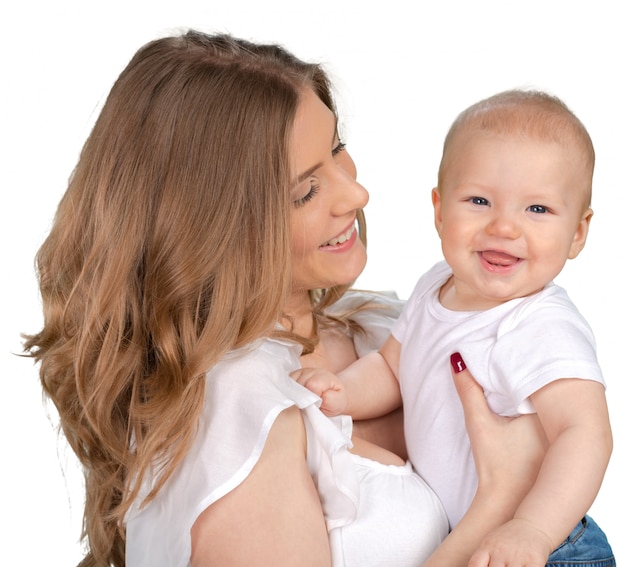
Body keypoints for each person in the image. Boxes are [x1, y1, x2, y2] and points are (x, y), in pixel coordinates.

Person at [23, 32, 548, 567]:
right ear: (210, 229)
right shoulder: (236, 418)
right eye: (305, 191)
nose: (355, 194)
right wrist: (499, 504)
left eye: (338, 148)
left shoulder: (383, 321)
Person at [294, 89, 615, 566]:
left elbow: (587, 435)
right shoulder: (434, 287)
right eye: (480, 200)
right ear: (440, 210)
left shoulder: (539, 323)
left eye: (538, 209)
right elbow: (391, 366)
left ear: (578, 233)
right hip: (470, 534)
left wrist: (533, 529)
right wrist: (341, 392)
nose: (504, 227)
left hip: (548, 548)